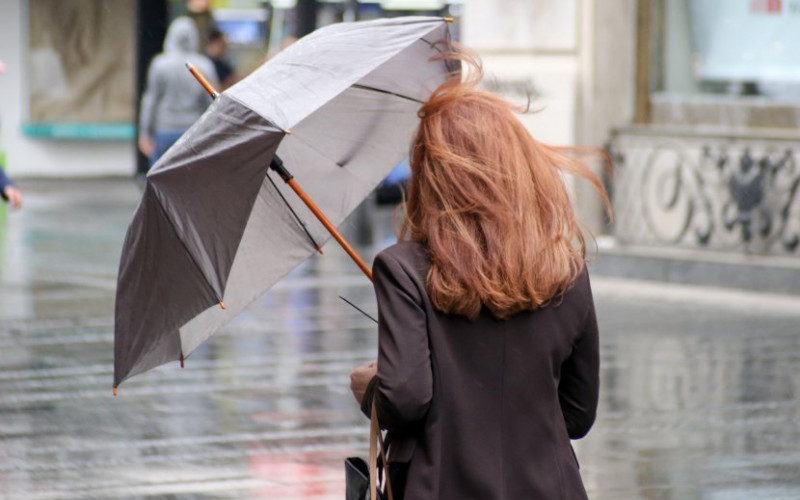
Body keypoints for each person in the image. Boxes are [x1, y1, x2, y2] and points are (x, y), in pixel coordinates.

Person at [349, 51, 611, 499]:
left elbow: (406, 400)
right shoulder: (566, 270)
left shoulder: (403, 270)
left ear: (434, 174)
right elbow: (577, 414)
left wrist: (372, 385)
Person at [138, 16, 219, 169]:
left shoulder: (159, 64)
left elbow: (151, 101)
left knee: (160, 181)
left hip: (164, 129)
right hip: (193, 131)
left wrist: (144, 133)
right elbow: (212, 104)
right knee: (190, 182)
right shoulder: (204, 66)